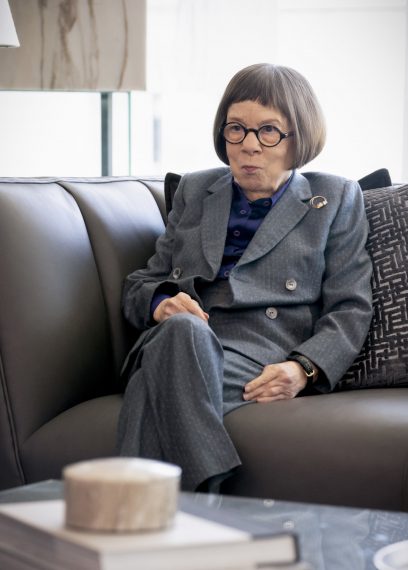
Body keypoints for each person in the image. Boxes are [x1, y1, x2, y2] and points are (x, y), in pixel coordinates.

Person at [117, 63, 373, 492]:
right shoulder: (196, 191)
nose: (249, 145)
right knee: (181, 331)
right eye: (236, 129)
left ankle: (149, 510)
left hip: (259, 355)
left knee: (150, 384)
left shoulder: (335, 197)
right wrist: (161, 302)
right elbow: (141, 283)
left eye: (268, 131)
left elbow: (351, 307)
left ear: (298, 138)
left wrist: (304, 368)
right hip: (180, 337)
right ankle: (206, 500)